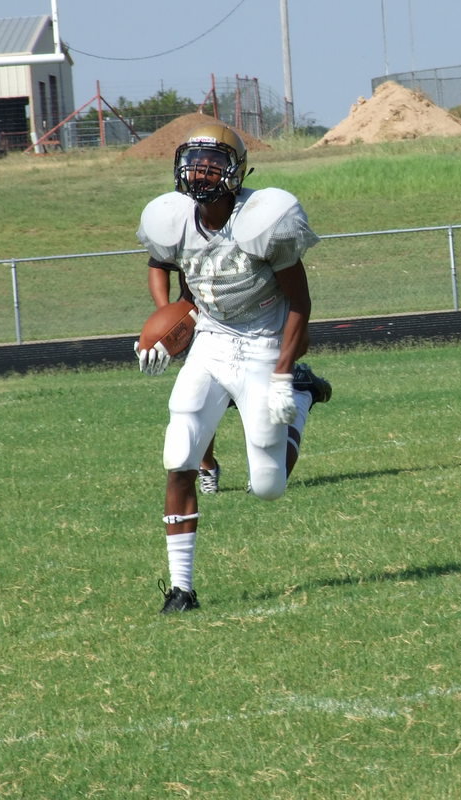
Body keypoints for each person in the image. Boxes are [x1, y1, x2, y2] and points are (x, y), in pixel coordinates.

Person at [134, 122, 331, 614]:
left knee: (267, 486)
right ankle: (182, 589)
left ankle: (304, 397)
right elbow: (159, 261)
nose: (201, 172)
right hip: (211, 342)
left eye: (214, 162)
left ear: (237, 171)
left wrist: (286, 373)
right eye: (194, 161)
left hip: (264, 342)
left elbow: (301, 304)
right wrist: (171, 318)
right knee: (179, 454)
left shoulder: (264, 218)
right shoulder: (171, 218)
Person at [146, 264, 224, 495]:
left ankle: (262, 472)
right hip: (203, 323)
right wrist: (168, 319)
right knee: (198, 403)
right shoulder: (187, 228)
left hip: (251, 323)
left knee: (257, 402)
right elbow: (158, 264)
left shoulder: (246, 229)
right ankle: (207, 466)